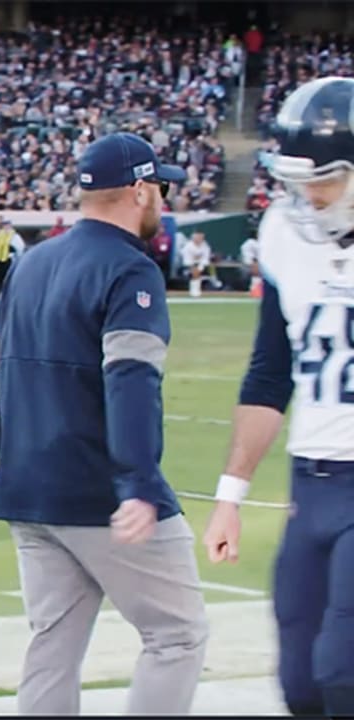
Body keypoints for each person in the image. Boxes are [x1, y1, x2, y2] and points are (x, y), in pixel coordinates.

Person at [0, 131, 208, 715]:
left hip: (28, 491)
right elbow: (131, 381)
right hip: (100, 492)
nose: (163, 199)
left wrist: (19, 456)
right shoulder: (131, 270)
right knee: (177, 635)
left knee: (53, 645)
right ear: (137, 190)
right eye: (159, 187)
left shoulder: (30, 263)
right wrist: (136, 483)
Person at [202, 76, 354, 718]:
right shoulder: (286, 236)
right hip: (310, 484)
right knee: (300, 684)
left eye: (322, 180)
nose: (307, 197)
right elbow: (270, 374)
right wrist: (230, 496)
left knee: (343, 672)